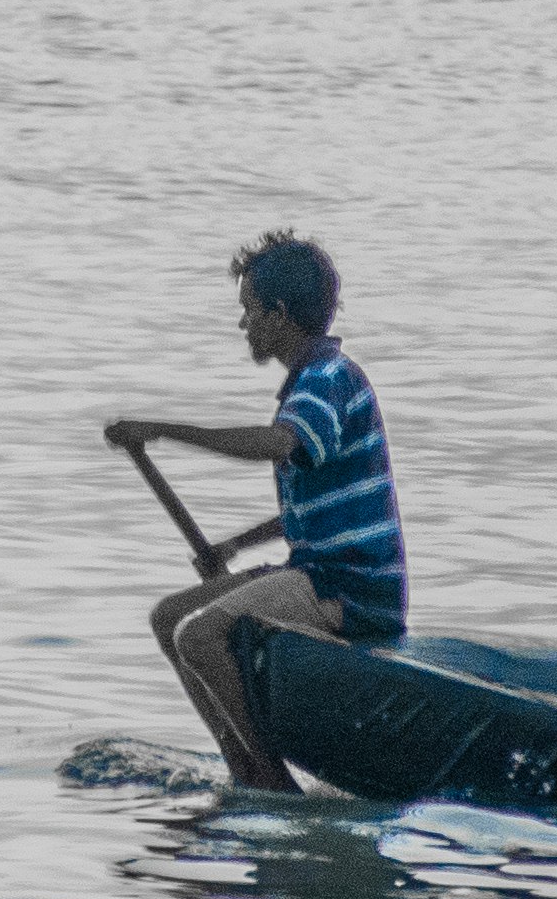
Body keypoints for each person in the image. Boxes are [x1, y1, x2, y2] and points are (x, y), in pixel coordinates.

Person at [103, 232, 405, 790]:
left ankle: (269, 780)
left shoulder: (327, 379)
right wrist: (234, 547)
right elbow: (310, 510)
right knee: (169, 618)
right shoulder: (308, 384)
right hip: (313, 572)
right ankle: (242, 768)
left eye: (249, 310)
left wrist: (164, 430)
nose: (244, 324)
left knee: (200, 637)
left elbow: (278, 444)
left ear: (279, 314)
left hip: (351, 589)